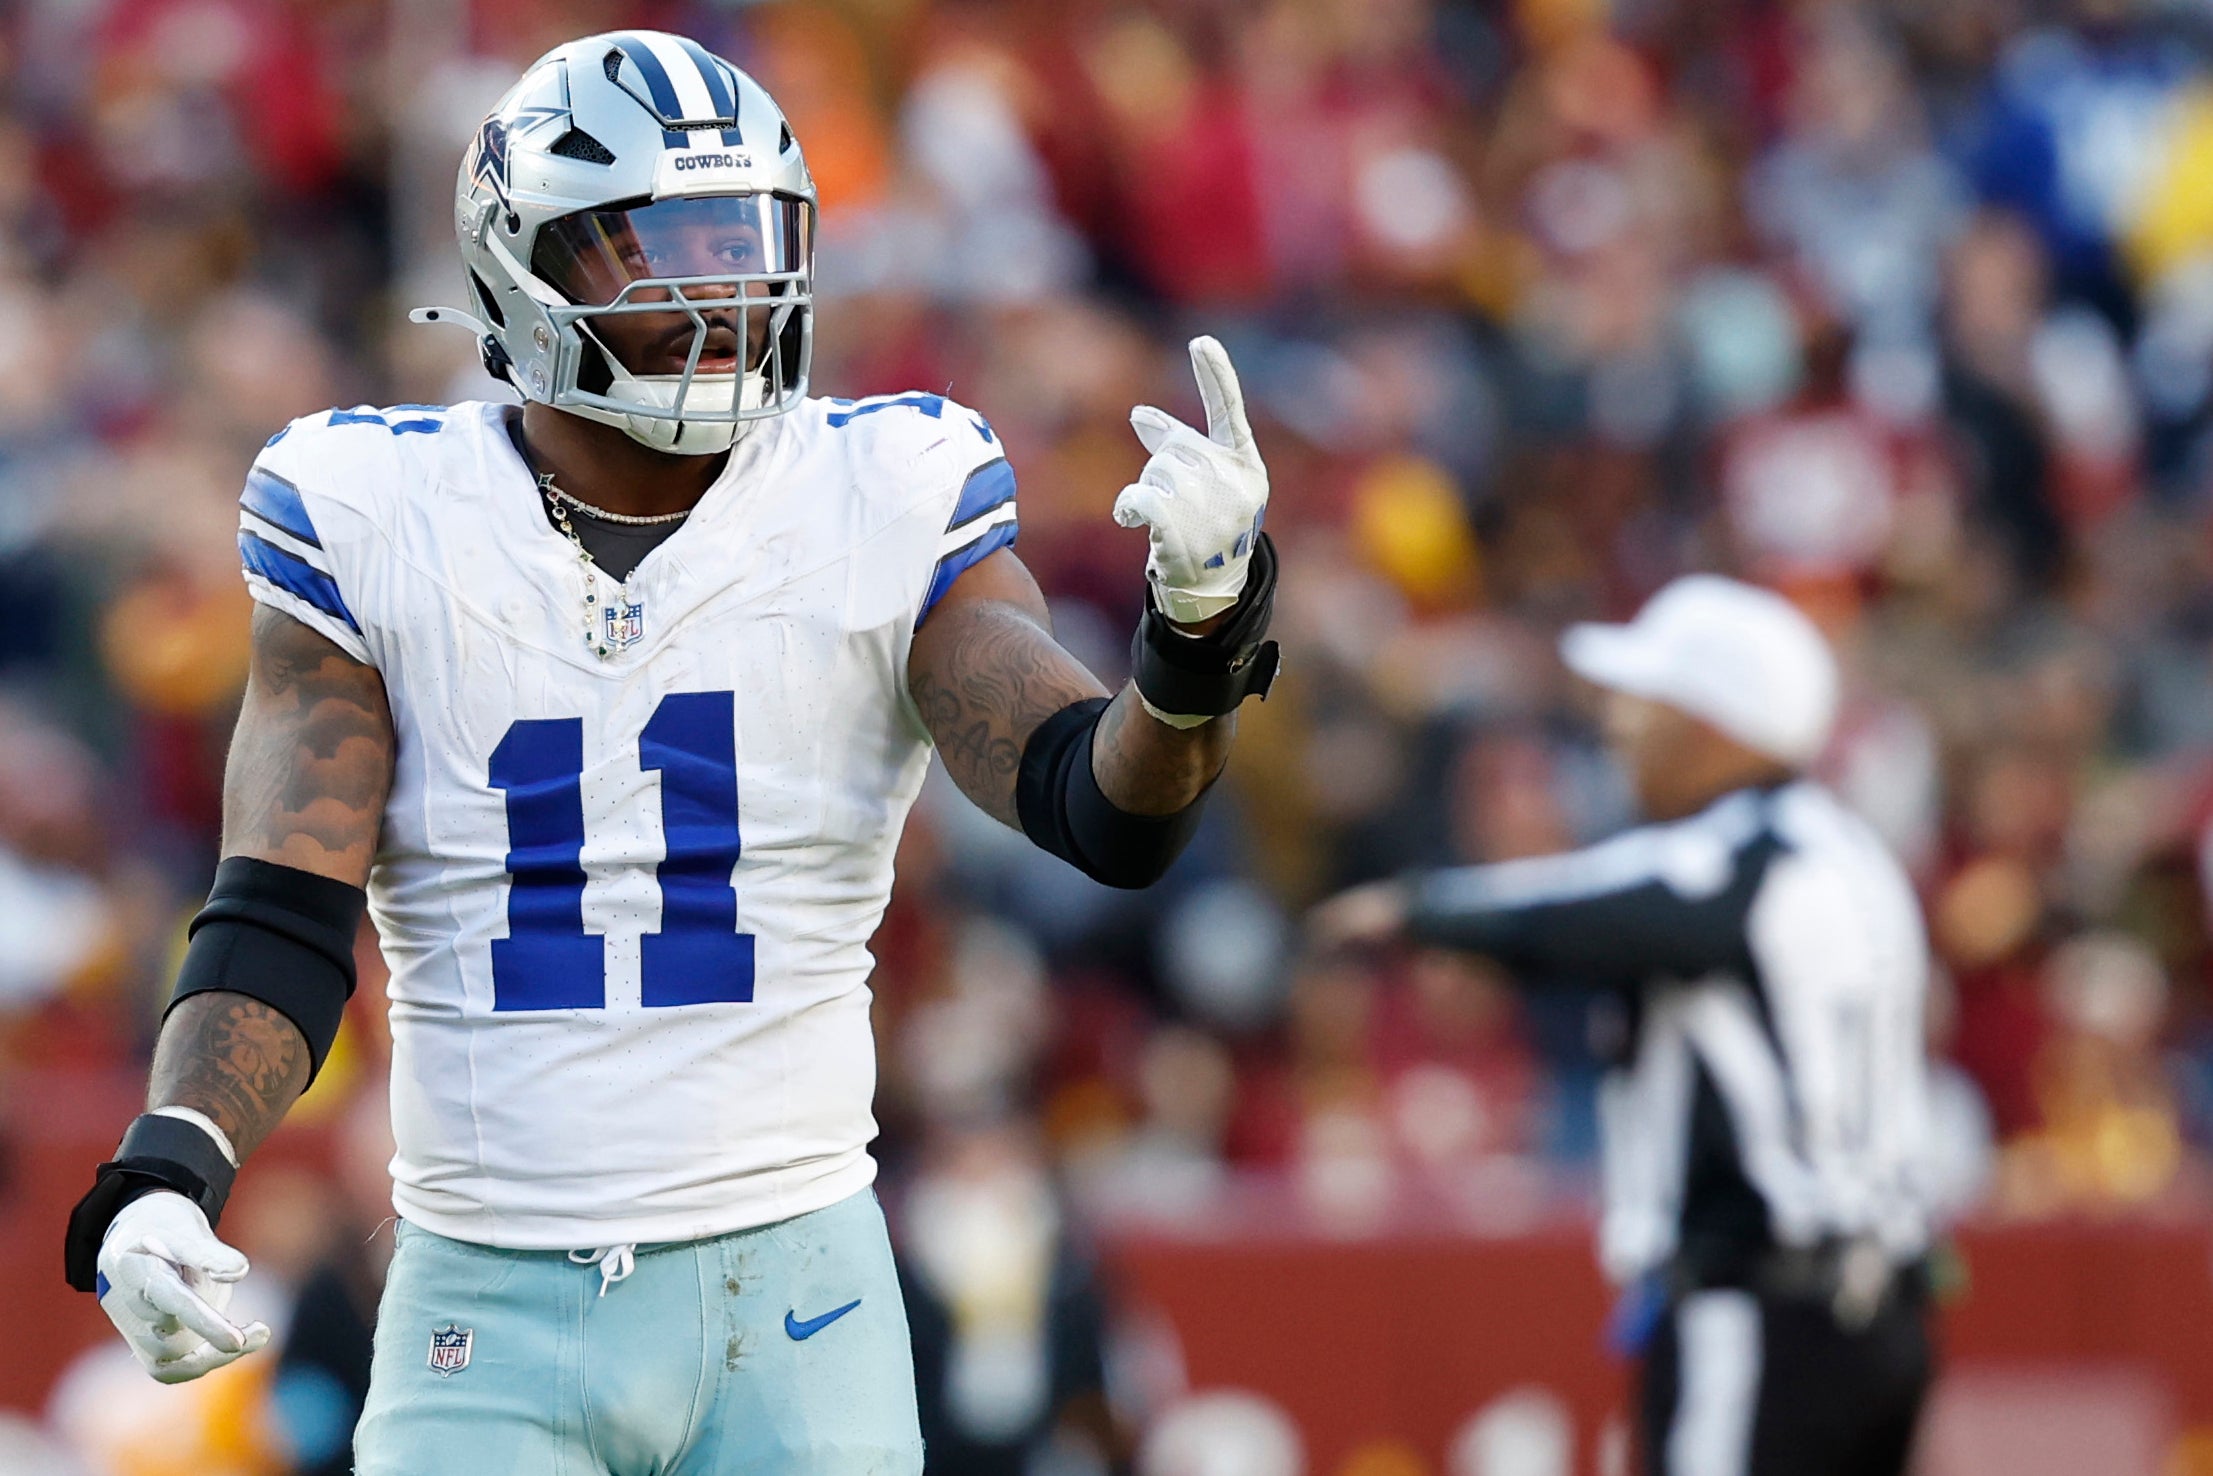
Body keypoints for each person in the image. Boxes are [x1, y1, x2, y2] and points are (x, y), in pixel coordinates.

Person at [63, 30, 1278, 1476]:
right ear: (523, 269)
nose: (719, 291)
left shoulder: (878, 489)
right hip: (486, 1298)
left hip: (800, 1296)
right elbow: (281, 912)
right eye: (658, 249)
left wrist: (1194, 643)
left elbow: (1102, 808)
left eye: (743, 242)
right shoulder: (376, 509)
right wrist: (169, 1165)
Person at [1312, 575, 1934, 1476]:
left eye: (1646, 704)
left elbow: (1586, 905)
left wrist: (1418, 911)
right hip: (1879, 1309)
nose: (1618, 728)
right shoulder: (1850, 853)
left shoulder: (1736, 857)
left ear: (1714, 725)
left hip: (1762, 1309)